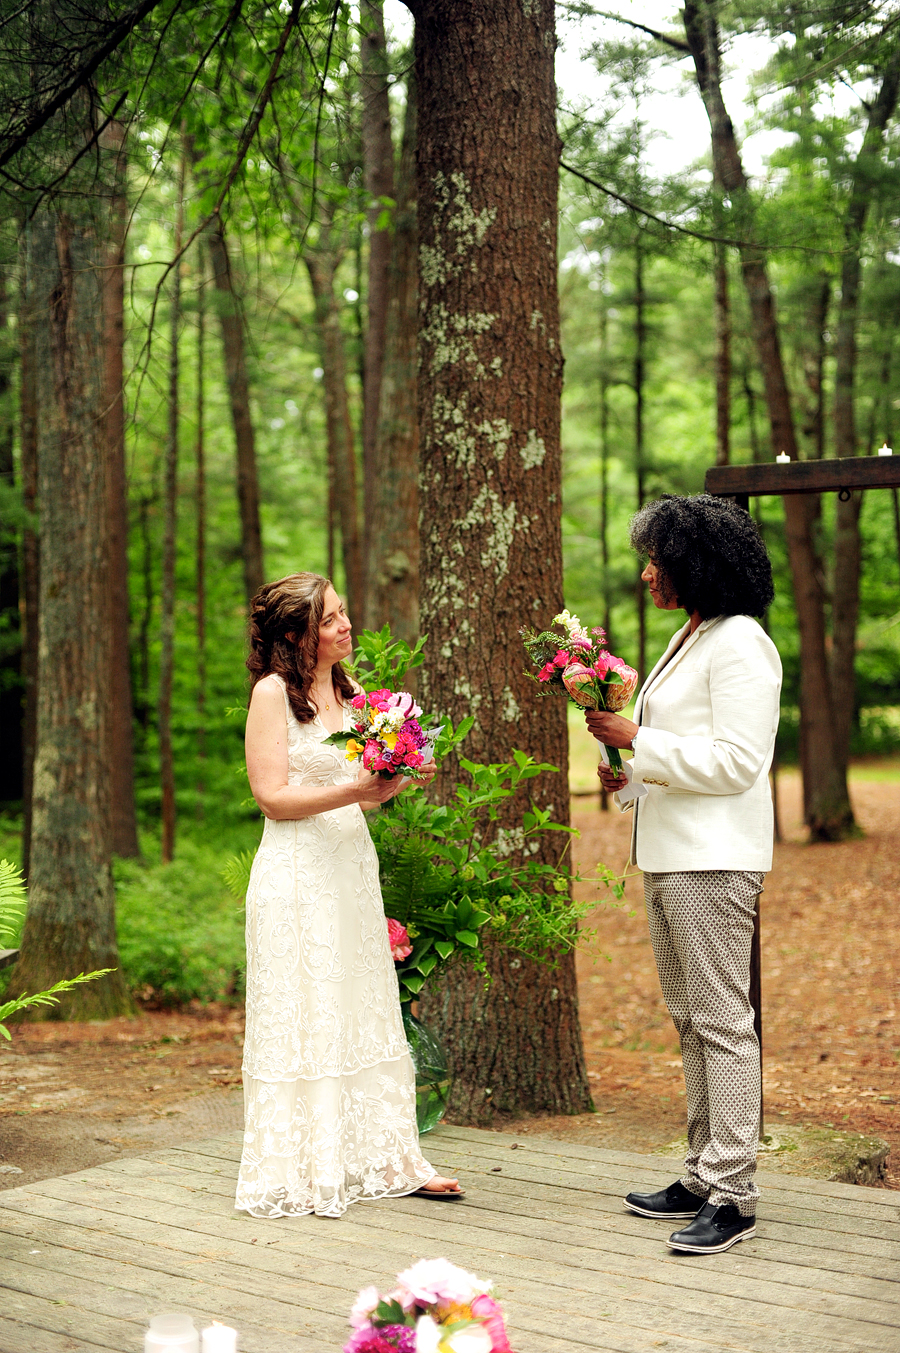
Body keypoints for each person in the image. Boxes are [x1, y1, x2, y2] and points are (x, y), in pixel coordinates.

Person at [586, 495, 781, 1255]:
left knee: (724, 1022)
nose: (646, 573)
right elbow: (680, 752)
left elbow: (738, 762)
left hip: (714, 858)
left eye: (656, 559)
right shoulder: (691, 634)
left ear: (696, 563)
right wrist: (633, 775)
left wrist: (641, 739)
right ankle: (702, 1172)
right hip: (669, 853)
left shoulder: (742, 644)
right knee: (690, 1018)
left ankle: (735, 1192)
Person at [235, 572, 463, 1218]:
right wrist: (355, 792)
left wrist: (399, 771)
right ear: (293, 635)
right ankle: (307, 1164)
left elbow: (372, 776)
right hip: (296, 871)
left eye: (342, 612)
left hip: (349, 866)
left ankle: (390, 1156)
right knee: (306, 1006)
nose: (345, 625)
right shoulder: (271, 695)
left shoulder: (353, 692)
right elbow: (273, 798)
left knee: (361, 1001)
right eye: (329, 618)